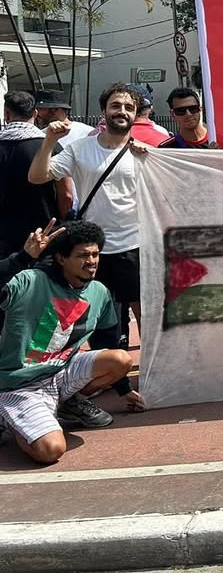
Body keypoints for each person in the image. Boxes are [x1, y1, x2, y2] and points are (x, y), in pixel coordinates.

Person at [0, 221, 141, 464]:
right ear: (61, 258)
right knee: (50, 450)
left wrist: (124, 390)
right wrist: (23, 257)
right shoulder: (29, 281)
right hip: (17, 384)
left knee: (120, 360)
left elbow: (106, 340)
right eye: (82, 255)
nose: (92, 261)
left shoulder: (99, 291)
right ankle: (9, 418)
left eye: (95, 254)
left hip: (60, 373)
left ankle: (66, 402)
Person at [29, 83, 143, 348]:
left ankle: (150, 376)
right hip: (93, 250)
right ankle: (108, 374)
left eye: (129, 107)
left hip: (134, 246)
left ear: (135, 115)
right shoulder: (79, 148)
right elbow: (37, 176)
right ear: (103, 111)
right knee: (96, 317)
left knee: (144, 314)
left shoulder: (145, 153)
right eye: (116, 105)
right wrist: (49, 141)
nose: (122, 111)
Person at [0, 91, 73, 255]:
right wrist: (61, 221)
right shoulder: (51, 146)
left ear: (7, 115)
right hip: (43, 232)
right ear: (35, 113)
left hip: (3, 235)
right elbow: (66, 194)